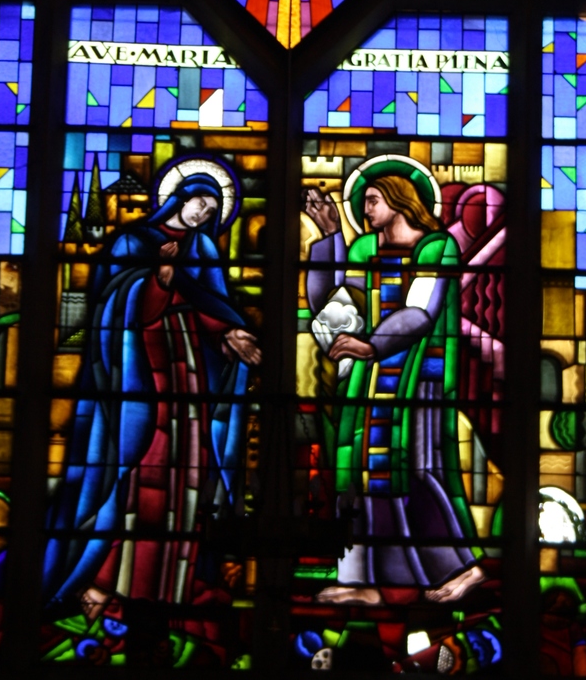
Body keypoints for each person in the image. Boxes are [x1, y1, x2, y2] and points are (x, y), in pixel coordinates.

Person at [43, 159, 260, 617]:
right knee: (137, 468)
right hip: (138, 368)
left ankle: (170, 590)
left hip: (190, 370)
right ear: (180, 197)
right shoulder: (132, 241)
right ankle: (104, 580)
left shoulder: (203, 248)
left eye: (212, 210)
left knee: (187, 469)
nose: (203, 213)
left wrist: (228, 332)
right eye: (200, 202)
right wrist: (157, 284)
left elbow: (211, 303)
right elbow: (114, 305)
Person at [304, 155, 484, 605]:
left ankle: (463, 568)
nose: (364, 210)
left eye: (372, 200)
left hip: (417, 380)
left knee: (417, 471)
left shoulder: (436, 247)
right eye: (364, 202)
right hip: (368, 381)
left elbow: (421, 310)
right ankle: (361, 579)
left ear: (400, 200)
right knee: (358, 473)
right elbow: (332, 304)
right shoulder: (365, 248)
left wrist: (371, 346)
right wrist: (330, 239)